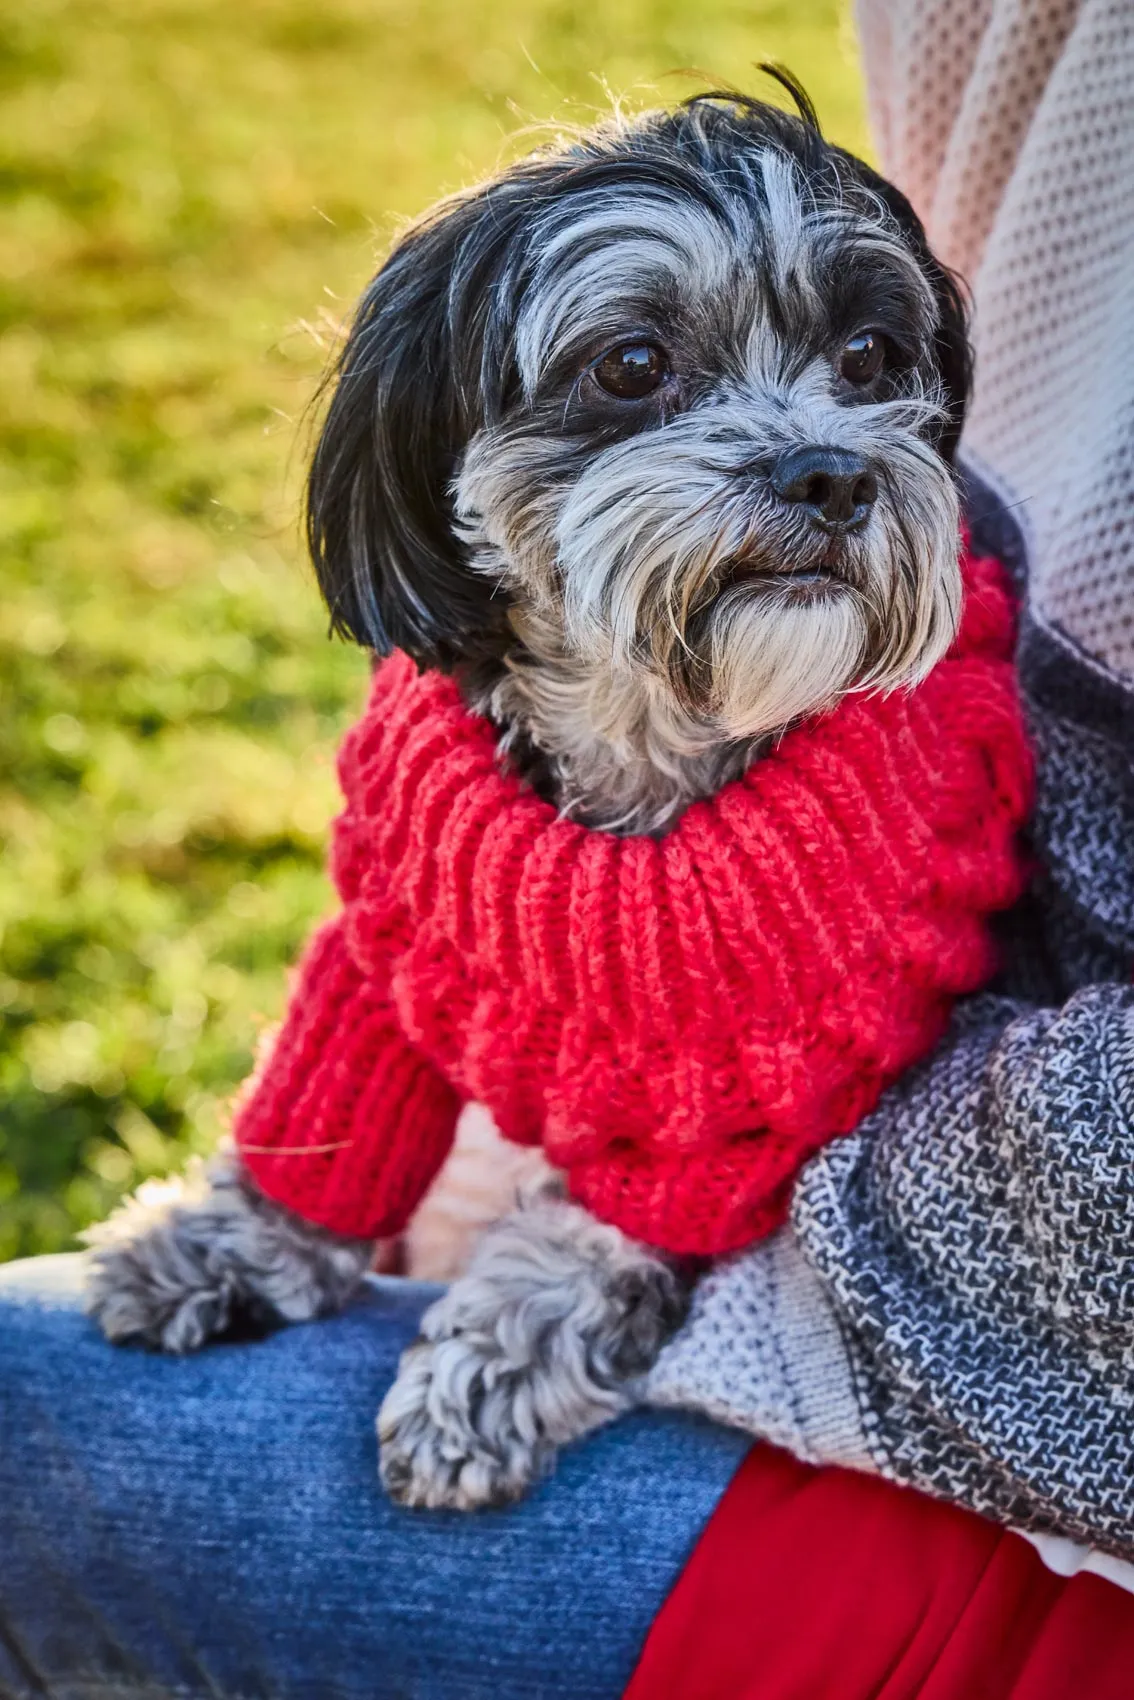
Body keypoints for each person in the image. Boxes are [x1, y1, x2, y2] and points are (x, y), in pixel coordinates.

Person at [3, 2, 1133, 1695]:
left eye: (867, 373)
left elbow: (821, 1073)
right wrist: (286, 1210)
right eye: (637, 374)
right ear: (445, 457)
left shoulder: (889, 818)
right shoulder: (433, 757)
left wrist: (582, 1271)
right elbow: (399, 960)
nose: (821, 457)